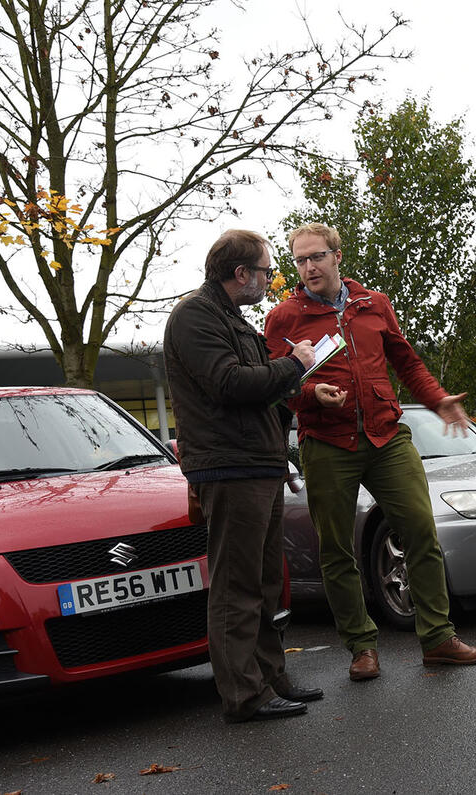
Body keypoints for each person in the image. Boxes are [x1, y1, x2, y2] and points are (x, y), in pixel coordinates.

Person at [264, 222, 476, 681]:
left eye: (316, 257)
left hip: (387, 436)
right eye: (300, 260)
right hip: (327, 443)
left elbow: (406, 361)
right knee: (336, 551)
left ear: (337, 256)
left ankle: (438, 638)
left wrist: (437, 399)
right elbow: (275, 384)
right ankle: (361, 647)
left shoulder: (373, 304)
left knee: (420, 530)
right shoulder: (283, 318)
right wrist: (309, 395)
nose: (308, 267)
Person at [163, 229, 324, 723]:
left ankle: (271, 678)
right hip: (229, 467)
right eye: (266, 271)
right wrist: (292, 364)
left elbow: (259, 397)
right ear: (241, 273)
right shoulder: (195, 316)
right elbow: (229, 384)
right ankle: (244, 694)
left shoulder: (231, 319)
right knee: (237, 585)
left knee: (265, 583)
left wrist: (289, 424)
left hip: (257, 463)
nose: (269, 279)